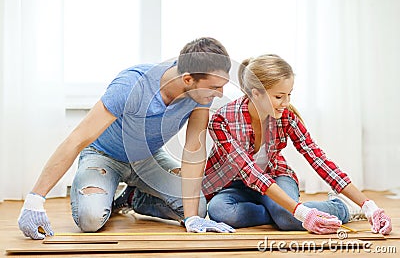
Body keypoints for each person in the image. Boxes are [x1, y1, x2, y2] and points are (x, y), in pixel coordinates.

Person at [18, 37, 235, 240]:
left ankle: (132, 198)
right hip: (104, 155)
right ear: (188, 79)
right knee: (91, 219)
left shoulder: (200, 95)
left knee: (197, 208)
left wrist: (191, 218)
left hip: (147, 158)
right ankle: (104, 190)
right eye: (215, 87)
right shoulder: (132, 85)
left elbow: (193, 149)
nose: (219, 93)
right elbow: (77, 138)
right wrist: (34, 200)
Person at [202, 54, 392, 235]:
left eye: (289, 95)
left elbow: (318, 159)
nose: (286, 103)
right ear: (256, 93)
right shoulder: (222, 120)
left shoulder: (287, 118)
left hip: (276, 176)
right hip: (235, 184)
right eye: (279, 97)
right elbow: (251, 173)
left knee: (287, 217)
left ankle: (341, 208)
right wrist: (300, 212)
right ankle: (279, 212)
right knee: (220, 211)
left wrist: (369, 205)